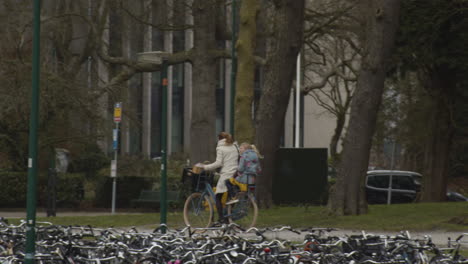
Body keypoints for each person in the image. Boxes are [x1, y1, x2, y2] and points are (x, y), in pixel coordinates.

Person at [197, 132, 239, 223]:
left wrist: (205, 167)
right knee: (229, 196)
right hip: (235, 173)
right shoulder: (235, 146)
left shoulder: (220, 148)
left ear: (219, 139)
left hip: (226, 174)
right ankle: (228, 217)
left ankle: (221, 219)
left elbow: (219, 163)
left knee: (218, 197)